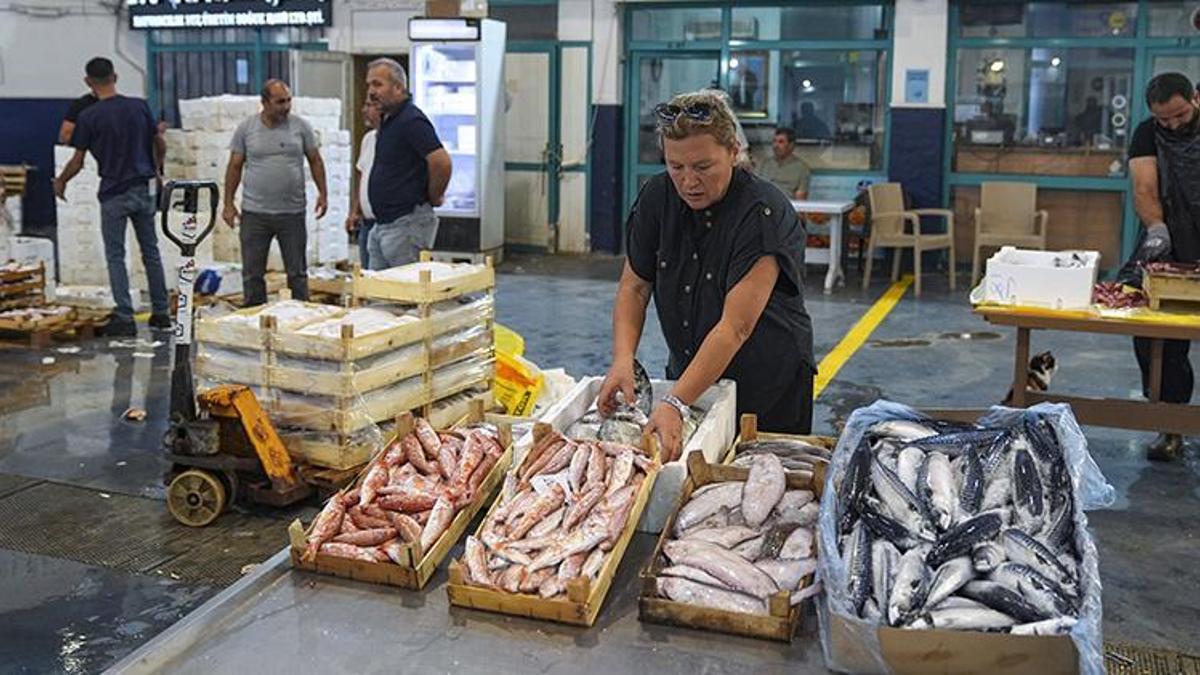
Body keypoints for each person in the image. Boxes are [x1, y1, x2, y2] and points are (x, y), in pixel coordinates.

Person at [598, 89, 816, 461]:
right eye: (675, 166)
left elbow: (735, 327)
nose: (688, 182)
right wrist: (623, 358)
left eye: (702, 167)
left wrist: (675, 402)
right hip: (692, 375)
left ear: (734, 152)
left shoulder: (763, 213)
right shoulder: (657, 198)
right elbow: (635, 287)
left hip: (766, 383)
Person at [53, 57, 169, 337]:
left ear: (88, 82)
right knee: (151, 251)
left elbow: (78, 160)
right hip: (143, 187)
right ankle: (162, 313)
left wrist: (61, 181)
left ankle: (125, 317)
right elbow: (159, 143)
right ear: (115, 76)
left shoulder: (89, 117)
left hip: (113, 192)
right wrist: (157, 170)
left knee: (116, 255)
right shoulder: (139, 107)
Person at [1127, 72, 1200, 461]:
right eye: (1164, 119)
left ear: (1195, 98)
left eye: (1180, 115)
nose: (1172, 125)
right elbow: (1144, 187)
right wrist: (1157, 228)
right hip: (1170, 241)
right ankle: (1170, 426)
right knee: (1157, 342)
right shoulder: (1146, 133)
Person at [222, 79, 327, 306]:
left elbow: (316, 161)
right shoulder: (247, 129)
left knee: (297, 273)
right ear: (265, 103)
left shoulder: (301, 127)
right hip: (255, 214)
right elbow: (234, 166)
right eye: (280, 102)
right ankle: (255, 317)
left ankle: (301, 316)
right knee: (252, 274)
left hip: (292, 214)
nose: (286, 107)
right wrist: (228, 204)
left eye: (289, 101)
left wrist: (323, 194)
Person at [363, 58, 452, 269]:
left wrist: (434, 195)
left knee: (408, 294)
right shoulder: (389, 120)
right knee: (379, 295)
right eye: (369, 85)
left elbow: (441, 162)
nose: (371, 91)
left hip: (406, 224)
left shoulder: (411, 120)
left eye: (377, 84)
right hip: (383, 225)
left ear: (398, 87)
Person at [346, 101, 381, 268]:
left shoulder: (394, 139)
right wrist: (355, 211)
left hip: (387, 224)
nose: (363, 110)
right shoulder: (368, 139)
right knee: (368, 276)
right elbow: (362, 177)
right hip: (367, 223)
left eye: (369, 106)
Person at [758, 127, 811, 199]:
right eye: (774, 141)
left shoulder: (802, 168)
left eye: (781, 142)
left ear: (791, 145)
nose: (775, 146)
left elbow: (800, 200)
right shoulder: (766, 164)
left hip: (787, 206)